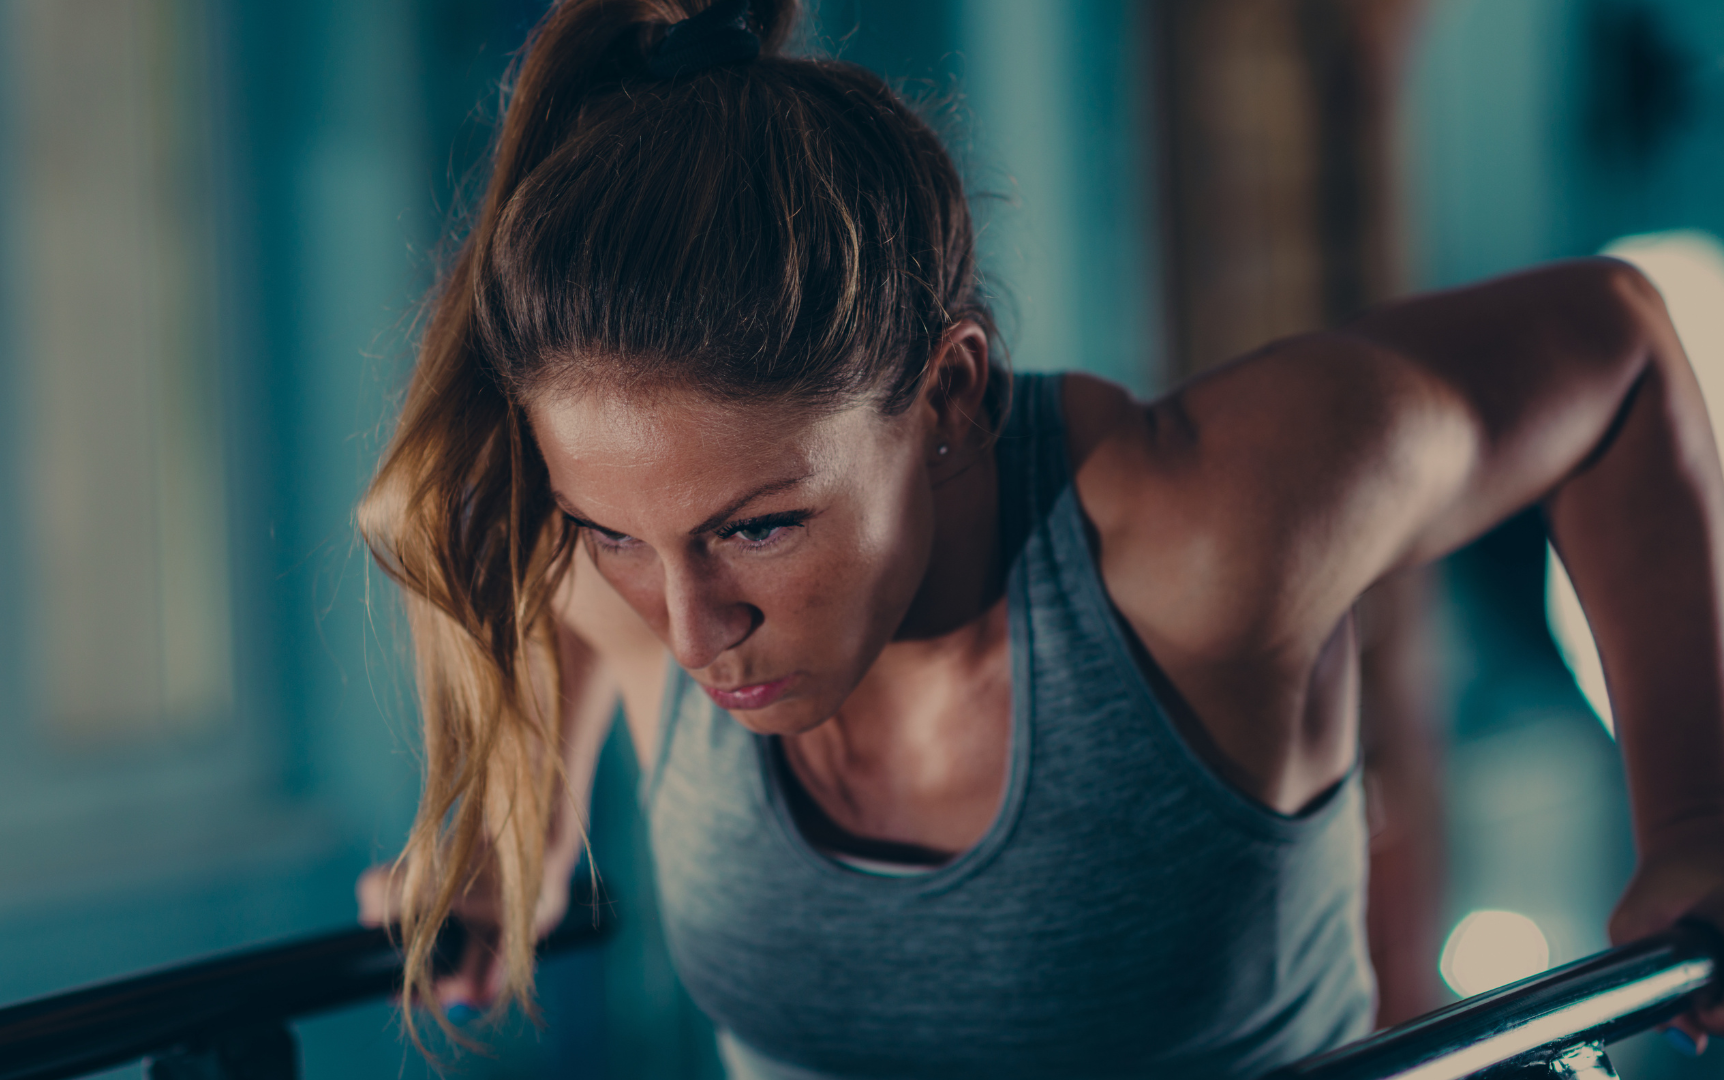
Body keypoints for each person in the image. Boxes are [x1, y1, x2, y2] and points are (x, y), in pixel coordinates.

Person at [354, 0, 1724, 1075]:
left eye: (760, 526)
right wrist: (509, 831)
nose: (691, 624)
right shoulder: (616, 575)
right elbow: (514, 559)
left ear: (947, 390)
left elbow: (1612, 355)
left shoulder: (1198, 534)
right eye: (611, 534)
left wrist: (1693, 815)